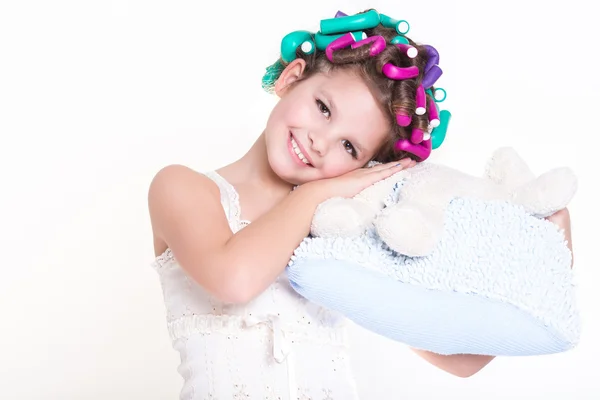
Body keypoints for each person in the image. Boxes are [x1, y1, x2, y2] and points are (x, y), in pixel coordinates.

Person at [147, 9, 574, 399]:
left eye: (349, 147)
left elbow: (460, 360)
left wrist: (547, 262)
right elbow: (233, 280)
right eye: (322, 108)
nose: (320, 141)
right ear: (291, 77)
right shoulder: (183, 189)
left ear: (366, 165)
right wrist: (317, 193)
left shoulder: (341, 232)